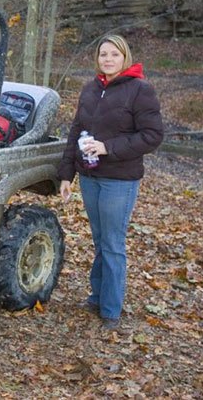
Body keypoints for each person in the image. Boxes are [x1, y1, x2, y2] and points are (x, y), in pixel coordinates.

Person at [57, 34, 164, 330]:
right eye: (103, 54)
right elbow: (76, 130)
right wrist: (67, 174)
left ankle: (111, 310)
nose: (108, 59)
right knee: (100, 240)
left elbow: (153, 136)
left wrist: (109, 147)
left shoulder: (139, 90)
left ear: (125, 57)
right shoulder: (91, 89)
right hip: (90, 178)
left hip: (119, 180)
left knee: (113, 243)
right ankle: (97, 296)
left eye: (114, 54)